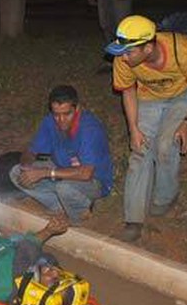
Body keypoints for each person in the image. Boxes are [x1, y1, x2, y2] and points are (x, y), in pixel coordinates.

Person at [105, 15, 187, 242]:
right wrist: (134, 128)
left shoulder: (183, 51)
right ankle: (133, 220)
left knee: (166, 145)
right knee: (140, 150)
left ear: (148, 47)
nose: (122, 57)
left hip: (183, 95)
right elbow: (128, 91)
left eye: (128, 52)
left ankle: (165, 198)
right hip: (148, 98)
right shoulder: (123, 59)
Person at [9, 85, 113, 226]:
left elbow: (86, 173)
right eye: (56, 114)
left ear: (77, 109)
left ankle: (78, 216)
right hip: (59, 170)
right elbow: (31, 151)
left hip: (94, 181)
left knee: (64, 187)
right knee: (16, 172)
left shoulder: (90, 129)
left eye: (66, 114)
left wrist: (45, 173)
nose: (61, 119)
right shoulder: (49, 122)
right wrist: (27, 167)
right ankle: (60, 207)